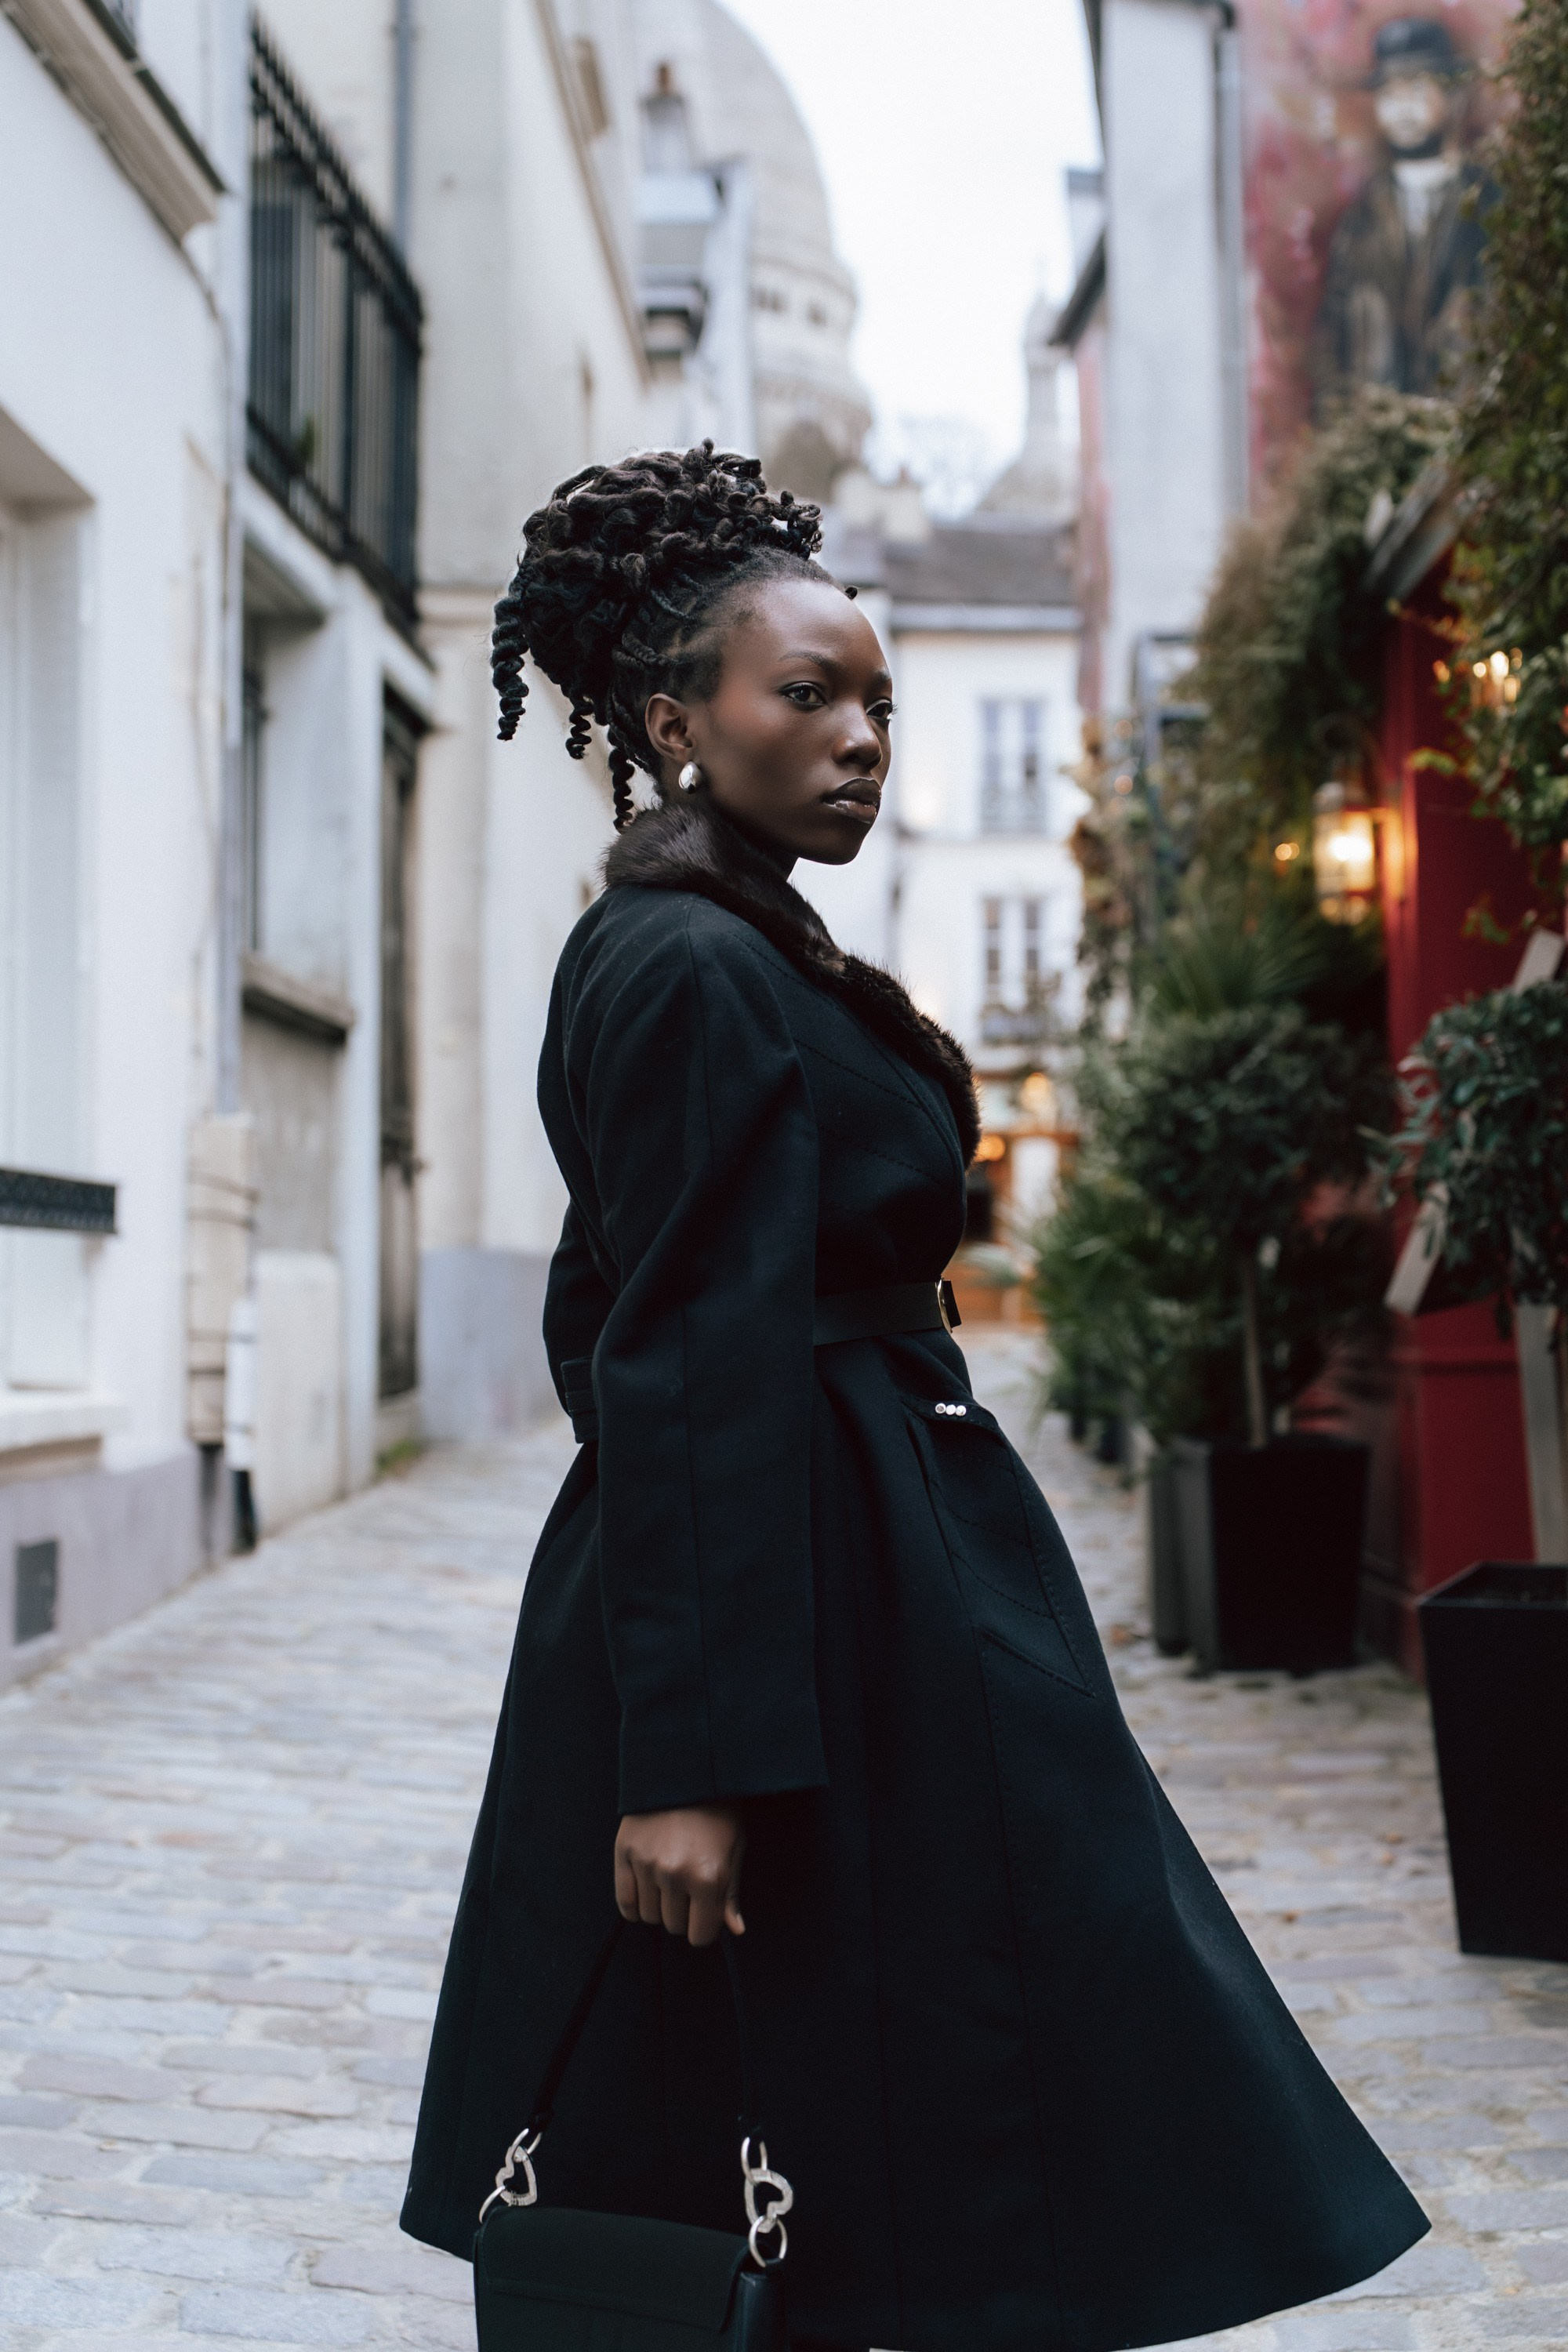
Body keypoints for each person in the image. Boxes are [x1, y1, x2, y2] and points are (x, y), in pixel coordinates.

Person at [401, 443, 1427, 2350]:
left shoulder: (745, 946)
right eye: (808, 693)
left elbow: (608, 1307)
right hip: (797, 1585)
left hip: (865, 1561)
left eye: (878, 697)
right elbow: (662, 1341)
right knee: (748, 2086)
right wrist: (689, 1754)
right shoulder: (683, 965)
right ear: (671, 718)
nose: (863, 735)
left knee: (934, 2038)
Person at [1312, 14, 1495, 411]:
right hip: (1381, 436)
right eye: (1390, 97)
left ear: (1453, 96)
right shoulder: (1360, 220)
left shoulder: (1489, 205)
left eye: (1415, 92)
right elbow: (1333, 334)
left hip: (1470, 434)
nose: (1402, 111)